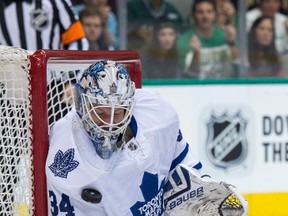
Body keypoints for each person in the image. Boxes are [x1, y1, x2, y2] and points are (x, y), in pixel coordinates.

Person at [45, 60, 248, 215]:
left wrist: (199, 188)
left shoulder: (158, 115)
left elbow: (180, 162)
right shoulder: (66, 153)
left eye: (117, 114)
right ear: (83, 106)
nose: (109, 124)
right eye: (102, 113)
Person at [177, 0, 239, 79]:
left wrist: (232, 43)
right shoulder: (184, 40)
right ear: (193, 15)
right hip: (198, 88)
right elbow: (190, 75)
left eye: (209, 12)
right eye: (200, 12)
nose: (205, 16)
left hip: (228, 87)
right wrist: (196, 54)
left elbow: (239, 64)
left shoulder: (226, 34)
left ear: (215, 14)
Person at [0, 0, 88, 50]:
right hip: (8, 80)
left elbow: (78, 41)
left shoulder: (55, 2)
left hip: (52, 80)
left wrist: (71, 78)